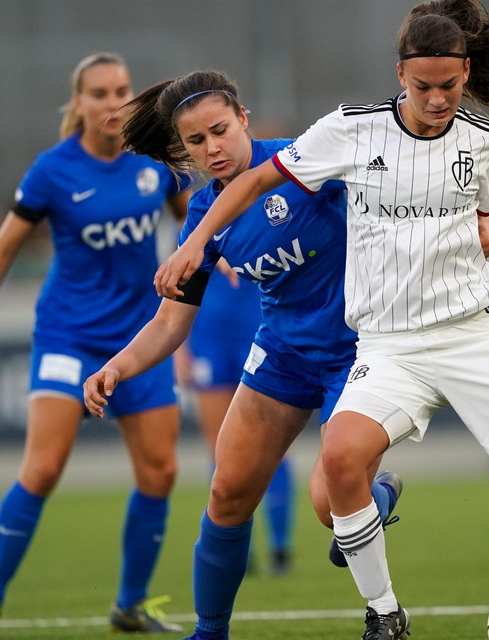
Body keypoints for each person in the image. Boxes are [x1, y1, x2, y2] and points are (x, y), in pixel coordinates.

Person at [157, 2, 489, 638]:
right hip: (384, 345)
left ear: (466, 74)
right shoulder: (351, 131)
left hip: (470, 334)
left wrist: (483, 225)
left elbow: (475, 204)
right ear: (400, 75)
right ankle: (385, 615)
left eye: (449, 86)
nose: (437, 99)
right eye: (423, 86)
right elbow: (257, 182)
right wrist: (194, 240)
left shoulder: (483, 141)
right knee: (340, 464)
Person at [82, 69, 409, 640]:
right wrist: (117, 365)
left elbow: (394, 179)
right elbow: (170, 322)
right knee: (227, 492)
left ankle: (373, 499)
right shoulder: (202, 218)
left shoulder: (302, 162)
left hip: (358, 353)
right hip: (283, 353)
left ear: (243, 120)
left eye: (219, 130)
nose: (212, 148)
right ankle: (210, 633)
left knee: (332, 508)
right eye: (195, 141)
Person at [0, 52, 192, 639]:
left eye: (122, 91)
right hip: (69, 337)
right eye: (100, 93)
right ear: (78, 102)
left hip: (138, 341)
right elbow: (3, 248)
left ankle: (130, 604)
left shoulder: (153, 161)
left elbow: (198, 216)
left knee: (160, 472)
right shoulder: (52, 170)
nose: (113, 102)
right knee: (44, 467)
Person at [176, 266, 296, 575]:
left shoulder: (264, 217)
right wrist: (179, 349)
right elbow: (181, 277)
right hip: (209, 337)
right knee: (219, 448)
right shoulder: (198, 221)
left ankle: (280, 547)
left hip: (259, 330)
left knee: (273, 446)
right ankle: (237, 548)